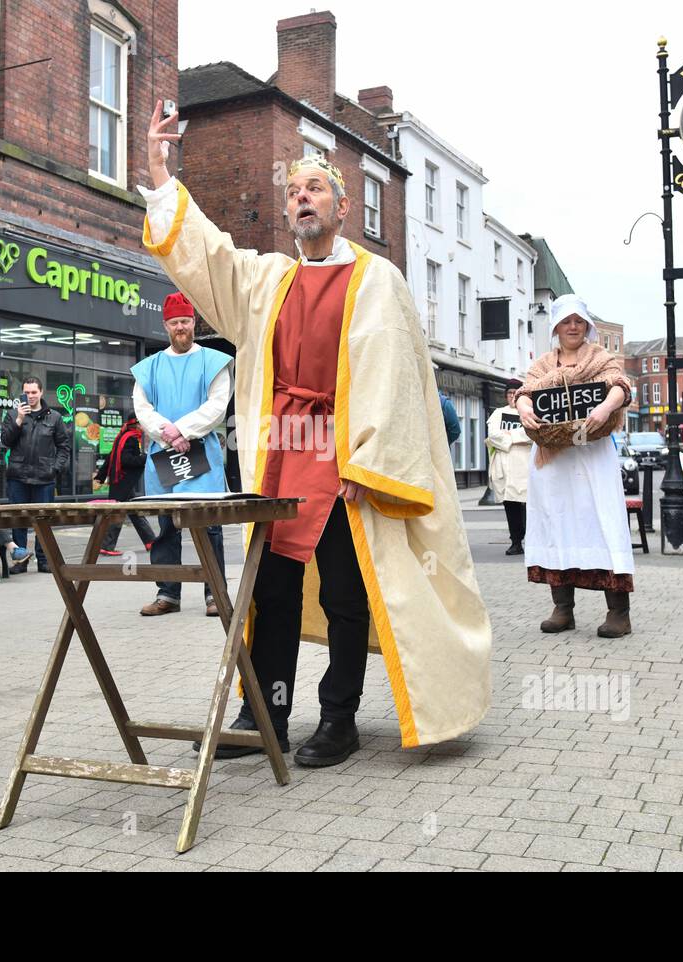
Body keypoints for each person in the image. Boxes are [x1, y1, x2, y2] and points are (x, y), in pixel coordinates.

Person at [140, 101, 491, 765]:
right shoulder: (269, 277)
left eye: (316, 190)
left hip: (344, 462)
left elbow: (394, 378)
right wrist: (162, 174)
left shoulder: (378, 280)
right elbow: (209, 257)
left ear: (343, 205)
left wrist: (368, 463)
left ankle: (340, 720)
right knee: (268, 589)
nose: (303, 200)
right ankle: (262, 713)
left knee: (342, 589)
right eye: (294, 192)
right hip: (280, 458)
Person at [511, 294, 635, 638]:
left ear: (587, 326)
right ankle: (563, 608)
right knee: (557, 524)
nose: (573, 327)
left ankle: (618, 612)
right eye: (566, 321)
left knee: (603, 522)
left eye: (578, 321)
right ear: (555, 327)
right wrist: (523, 409)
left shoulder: (600, 358)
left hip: (591, 455)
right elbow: (524, 392)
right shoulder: (543, 366)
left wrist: (605, 409)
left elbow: (620, 386)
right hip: (554, 460)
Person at [132, 292, 231, 616]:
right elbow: (142, 408)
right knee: (166, 525)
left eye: (186, 322)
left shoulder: (213, 362)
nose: (181, 328)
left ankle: (215, 593)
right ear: (166, 326)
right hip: (164, 453)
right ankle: (167, 593)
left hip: (201, 452)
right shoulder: (149, 368)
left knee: (209, 525)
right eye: (175, 323)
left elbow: (217, 405)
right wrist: (168, 434)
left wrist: (183, 431)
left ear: (193, 323)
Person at [0, 377, 70, 573]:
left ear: (41, 392)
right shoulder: (13, 414)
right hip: (18, 476)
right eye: (26, 393)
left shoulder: (54, 417)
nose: (30, 396)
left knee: (43, 520)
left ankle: (44, 559)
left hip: (44, 477)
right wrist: (19, 420)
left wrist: (54, 468)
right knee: (19, 520)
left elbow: (64, 447)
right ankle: (21, 560)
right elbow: (5, 440)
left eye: (33, 392)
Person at [93, 413, 156, 557]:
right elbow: (126, 460)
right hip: (123, 482)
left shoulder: (123, 436)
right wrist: (145, 458)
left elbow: (111, 457)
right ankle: (107, 545)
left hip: (121, 482)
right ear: (138, 424)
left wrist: (100, 477)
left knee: (134, 512)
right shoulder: (131, 439)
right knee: (118, 513)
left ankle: (150, 541)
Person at [486, 397, 531, 555]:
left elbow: (531, 435)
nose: (512, 396)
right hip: (505, 468)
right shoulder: (499, 413)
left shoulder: (529, 412)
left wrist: (508, 435)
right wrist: (517, 437)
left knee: (528, 506)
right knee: (511, 506)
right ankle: (516, 542)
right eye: (509, 393)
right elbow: (493, 435)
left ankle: (531, 540)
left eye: (515, 393)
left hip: (524, 467)